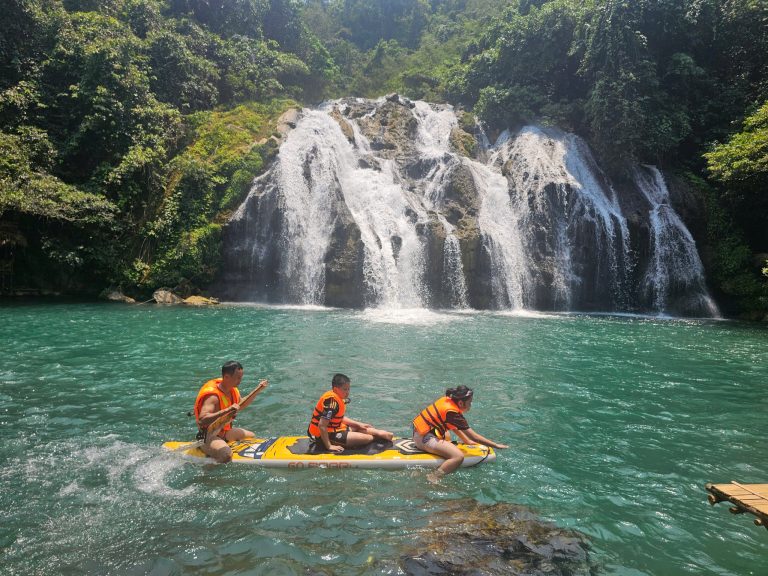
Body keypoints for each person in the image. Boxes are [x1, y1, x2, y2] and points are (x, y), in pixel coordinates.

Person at [412, 385, 508, 482]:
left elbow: (453, 427)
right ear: (461, 403)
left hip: (421, 433)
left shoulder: (448, 400)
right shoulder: (452, 413)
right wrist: (496, 445)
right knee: (458, 457)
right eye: (469, 402)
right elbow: (475, 437)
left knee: (448, 436)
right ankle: (434, 476)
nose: (470, 405)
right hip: (424, 439)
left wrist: (467, 441)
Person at [193, 361, 268, 463]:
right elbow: (202, 419)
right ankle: (207, 472)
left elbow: (241, 405)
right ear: (227, 377)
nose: (240, 381)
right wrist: (227, 410)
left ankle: (224, 444)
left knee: (251, 436)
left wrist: (258, 390)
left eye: (241, 377)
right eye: (238, 378)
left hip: (224, 433)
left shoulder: (232, 390)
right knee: (226, 456)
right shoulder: (213, 397)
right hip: (208, 436)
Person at [307, 373, 393, 452]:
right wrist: (329, 446)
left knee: (359, 428)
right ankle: (376, 437)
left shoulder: (338, 397)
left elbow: (338, 418)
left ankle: (379, 433)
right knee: (367, 439)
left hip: (336, 429)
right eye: (345, 389)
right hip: (322, 436)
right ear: (336, 389)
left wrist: (358, 424)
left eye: (348, 389)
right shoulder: (331, 403)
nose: (347, 392)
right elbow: (322, 426)